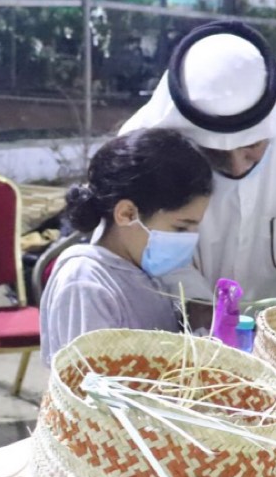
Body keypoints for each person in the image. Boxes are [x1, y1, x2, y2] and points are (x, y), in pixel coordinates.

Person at [120, 21, 276, 322]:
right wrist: (199, 309)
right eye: (214, 153)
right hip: (183, 333)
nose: (237, 166)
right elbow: (145, 249)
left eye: (252, 145)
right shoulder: (144, 140)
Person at [40, 129, 213, 365]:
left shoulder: (144, 271)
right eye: (181, 228)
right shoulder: (86, 283)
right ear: (127, 214)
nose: (189, 240)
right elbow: (90, 381)